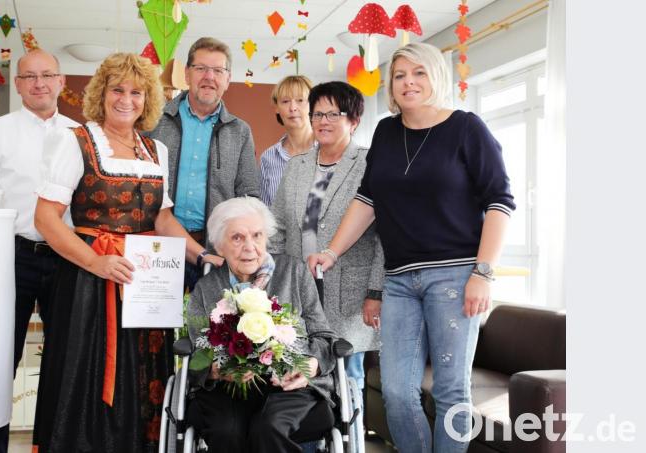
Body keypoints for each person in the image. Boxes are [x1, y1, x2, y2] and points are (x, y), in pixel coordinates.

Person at [308, 42, 515, 453]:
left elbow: (500, 202)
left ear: (436, 76)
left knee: (451, 392)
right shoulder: (386, 131)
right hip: (399, 280)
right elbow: (368, 199)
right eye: (400, 75)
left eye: (419, 73)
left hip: (455, 276)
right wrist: (331, 252)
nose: (408, 82)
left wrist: (483, 272)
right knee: (398, 393)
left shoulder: (466, 128)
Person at [31, 52, 222, 452]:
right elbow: (46, 219)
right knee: (89, 372)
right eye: (117, 90)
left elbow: (163, 219)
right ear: (101, 93)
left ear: (147, 99)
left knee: (143, 372)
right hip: (89, 282)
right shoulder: (74, 142)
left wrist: (202, 256)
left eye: (137, 93)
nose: (126, 100)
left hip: (144, 281)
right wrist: (96, 262)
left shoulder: (155, 151)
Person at [0, 48, 79, 453]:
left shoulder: (82, 136)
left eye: (47, 75)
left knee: (63, 361)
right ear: (17, 85)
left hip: (67, 258)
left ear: (61, 81)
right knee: (1, 363)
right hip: (11, 258)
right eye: (29, 76)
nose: (39, 84)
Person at [186, 197, 337, 453]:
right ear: (220, 246)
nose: (250, 247)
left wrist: (311, 366)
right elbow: (196, 353)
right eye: (237, 238)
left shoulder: (294, 272)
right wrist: (216, 370)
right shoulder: (206, 288)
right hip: (229, 390)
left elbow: (324, 336)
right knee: (226, 431)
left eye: (257, 235)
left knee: (270, 427)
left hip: (291, 386)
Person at [269, 81, 384, 406]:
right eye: (318, 114)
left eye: (334, 114)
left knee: (347, 375)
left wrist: (375, 292)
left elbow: (384, 237)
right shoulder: (297, 165)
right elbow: (278, 227)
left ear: (354, 120)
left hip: (350, 292)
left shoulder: (370, 163)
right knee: (300, 370)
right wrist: (270, 278)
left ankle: (351, 432)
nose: (323, 121)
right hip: (299, 288)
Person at [145, 36, 260, 292]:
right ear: (187, 74)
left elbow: (249, 196)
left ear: (228, 79)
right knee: (156, 319)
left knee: (209, 318)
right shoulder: (154, 121)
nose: (209, 77)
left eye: (218, 70)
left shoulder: (240, 131)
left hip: (215, 254)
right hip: (157, 246)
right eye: (201, 68)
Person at [259, 75, 316, 206]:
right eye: (285, 101)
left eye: (300, 100)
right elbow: (264, 211)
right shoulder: (268, 158)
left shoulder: (330, 151)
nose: (293, 108)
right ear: (277, 108)